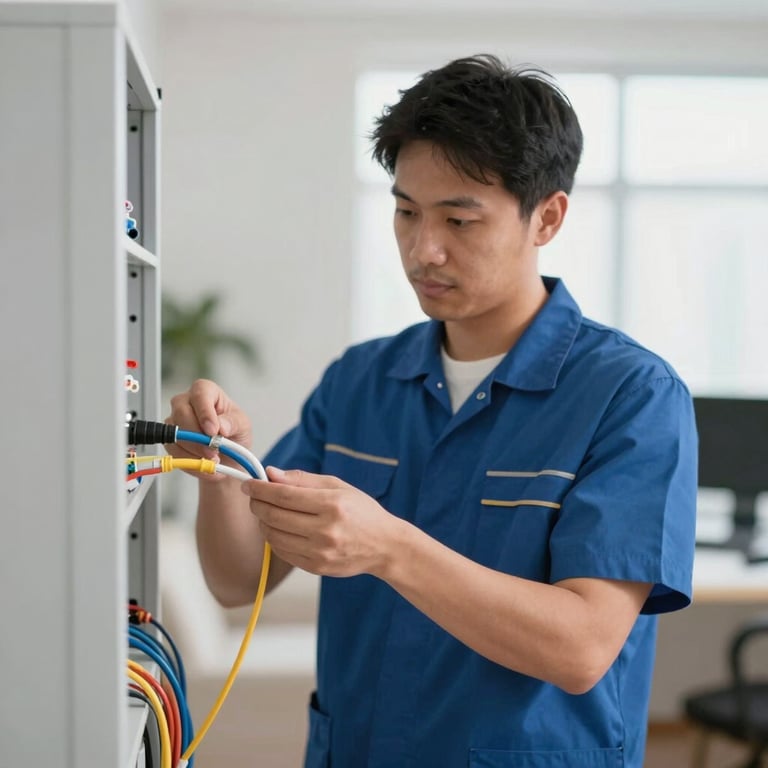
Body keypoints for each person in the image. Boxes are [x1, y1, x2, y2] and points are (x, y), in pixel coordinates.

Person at [167, 54, 697, 768]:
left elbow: (580, 648)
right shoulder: (362, 380)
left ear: (548, 217)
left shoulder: (630, 397)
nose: (424, 249)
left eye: (459, 219)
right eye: (406, 211)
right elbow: (237, 580)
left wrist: (389, 547)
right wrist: (222, 469)